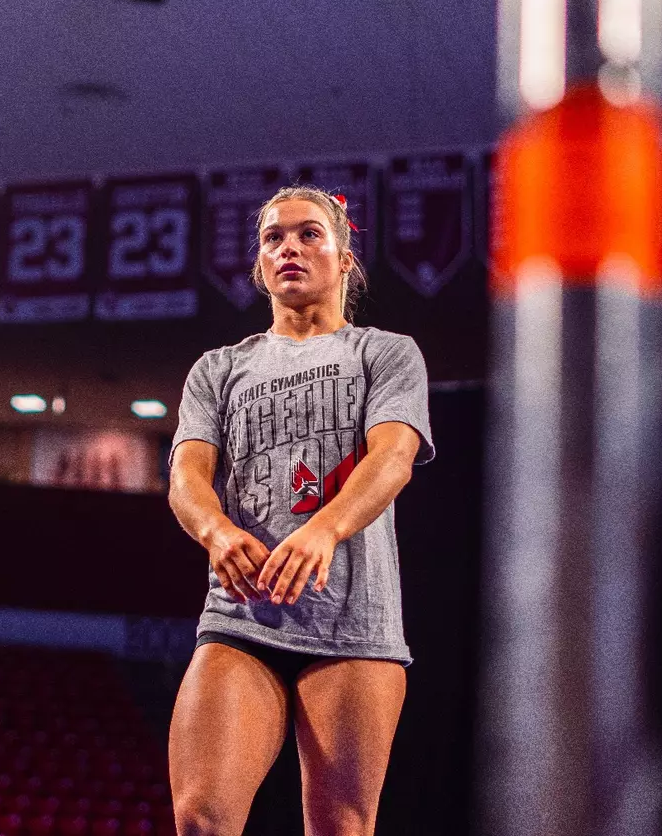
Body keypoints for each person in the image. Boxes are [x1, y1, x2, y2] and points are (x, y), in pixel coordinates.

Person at [167, 185, 435, 836]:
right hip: (241, 618)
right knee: (201, 818)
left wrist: (324, 530)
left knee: (339, 828)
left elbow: (393, 457)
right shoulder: (219, 369)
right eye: (273, 238)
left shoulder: (384, 353)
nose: (288, 247)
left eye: (309, 233)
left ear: (345, 259)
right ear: (259, 266)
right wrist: (215, 531)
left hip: (352, 624)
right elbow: (186, 475)